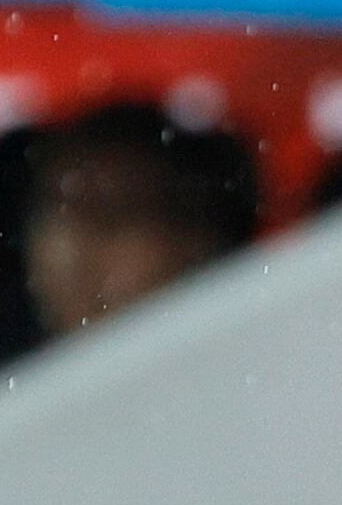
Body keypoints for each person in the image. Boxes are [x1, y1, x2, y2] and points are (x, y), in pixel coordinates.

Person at [20, 98, 258, 337]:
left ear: (196, 240)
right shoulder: (3, 366)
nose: (71, 249)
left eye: (109, 218)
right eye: (55, 210)